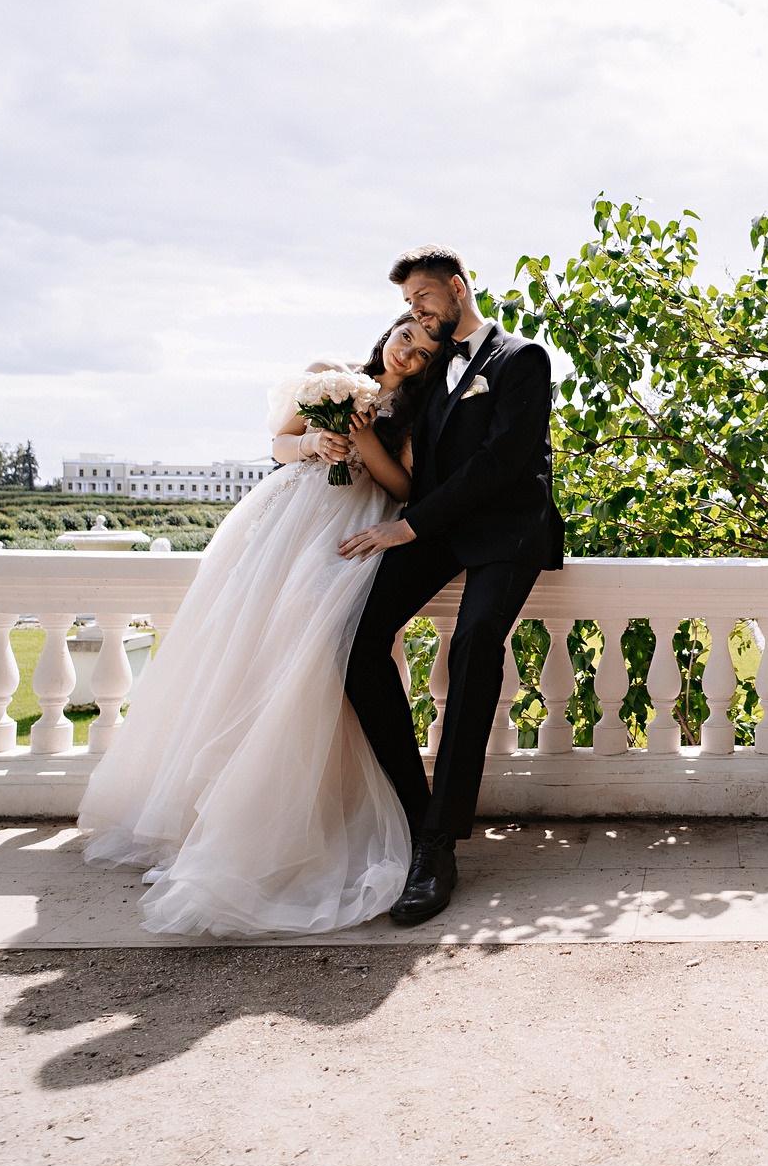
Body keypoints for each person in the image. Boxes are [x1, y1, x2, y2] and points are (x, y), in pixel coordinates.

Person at [75, 315, 442, 937]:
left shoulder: (416, 414)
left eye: (425, 351)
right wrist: (315, 445)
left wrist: (365, 443)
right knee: (242, 647)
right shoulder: (332, 375)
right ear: (388, 334)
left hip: (347, 524)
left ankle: (300, 814)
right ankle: (207, 815)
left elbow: (404, 484)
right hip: (283, 520)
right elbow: (279, 443)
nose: (410, 353)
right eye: (406, 337)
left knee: (312, 631)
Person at [341, 244, 564, 926]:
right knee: (355, 641)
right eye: (409, 304)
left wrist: (412, 527)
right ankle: (417, 811)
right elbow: (415, 464)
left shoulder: (522, 359)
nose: (414, 311)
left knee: (472, 645)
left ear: (459, 289)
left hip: (508, 530)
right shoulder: (432, 370)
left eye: (423, 300)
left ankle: (441, 844)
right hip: (440, 528)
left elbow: (501, 464)